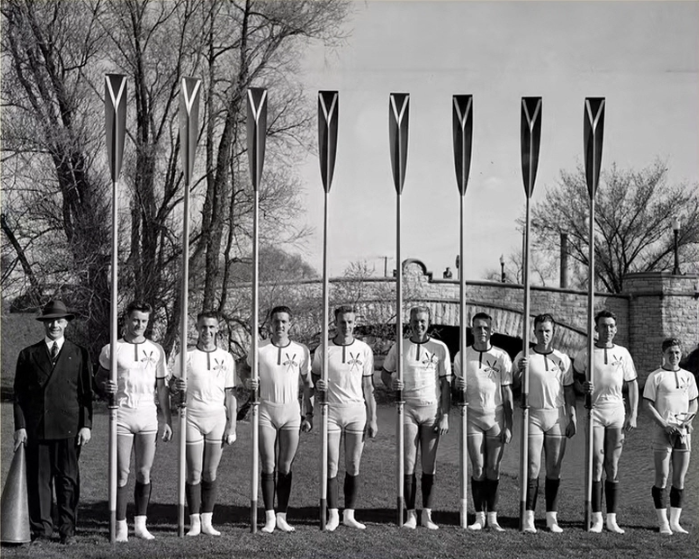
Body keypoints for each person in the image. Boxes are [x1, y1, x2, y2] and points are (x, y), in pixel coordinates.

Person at [13, 300, 93, 545]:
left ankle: (67, 531)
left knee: (68, 481)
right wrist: (20, 427)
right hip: (38, 428)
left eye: (59, 320)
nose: (54, 325)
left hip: (69, 428)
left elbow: (86, 394)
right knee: (40, 481)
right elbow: (19, 396)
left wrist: (86, 425)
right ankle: (42, 530)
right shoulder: (28, 355)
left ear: (66, 323)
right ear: (44, 324)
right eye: (50, 321)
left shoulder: (79, 353)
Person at [96, 301, 173, 541]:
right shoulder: (112, 349)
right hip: (122, 415)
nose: (139, 325)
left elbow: (162, 388)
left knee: (144, 472)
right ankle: (120, 525)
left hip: (148, 416)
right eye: (136, 320)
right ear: (127, 320)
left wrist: (167, 419)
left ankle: (140, 524)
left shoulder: (157, 350)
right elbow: (97, 379)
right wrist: (105, 387)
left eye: (144, 321)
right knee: (122, 473)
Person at [244, 305, 313, 533]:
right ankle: (269, 516)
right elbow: (244, 370)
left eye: (284, 321)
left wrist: (308, 413)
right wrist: (247, 382)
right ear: (270, 324)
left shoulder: (301, 350)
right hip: (266, 410)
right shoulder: (259, 348)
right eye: (276, 321)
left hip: (291, 412)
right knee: (268, 464)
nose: (280, 325)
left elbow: (308, 384)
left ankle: (282, 515)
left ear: (290, 324)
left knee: (285, 465)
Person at [381, 306, 451, 530]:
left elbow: (446, 385)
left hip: (431, 411)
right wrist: (392, 384)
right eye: (415, 321)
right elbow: (385, 373)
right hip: (407, 410)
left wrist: (445, 416)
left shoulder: (439, 348)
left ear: (428, 322)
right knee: (409, 463)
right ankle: (410, 514)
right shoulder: (400, 346)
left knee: (429, 464)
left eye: (422, 321)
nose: (418, 325)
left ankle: (426, 514)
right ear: (409, 322)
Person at [171, 311, 238, 537]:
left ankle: (207, 520)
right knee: (194, 473)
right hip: (192, 417)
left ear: (217, 329)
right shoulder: (186, 356)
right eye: (203, 327)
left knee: (210, 472)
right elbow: (172, 386)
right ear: (196, 328)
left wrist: (232, 426)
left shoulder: (226, 358)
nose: (207, 331)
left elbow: (230, 395)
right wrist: (177, 387)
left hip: (217, 418)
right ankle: (194, 522)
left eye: (211, 327)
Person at [312, 305, 378, 531]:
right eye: (342, 322)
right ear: (335, 323)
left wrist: (373, 418)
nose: (346, 326)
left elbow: (368, 387)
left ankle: (349, 514)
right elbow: (313, 379)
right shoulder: (324, 349)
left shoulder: (364, 350)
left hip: (356, 412)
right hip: (331, 412)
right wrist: (318, 386)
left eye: (350, 322)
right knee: (331, 464)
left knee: (353, 463)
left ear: (355, 323)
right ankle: (333, 515)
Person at [573, 309, 638, 533]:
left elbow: (633, 383)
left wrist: (634, 414)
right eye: (603, 326)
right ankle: (597, 518)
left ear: (616, 329)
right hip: (595, 412)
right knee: (597, 463)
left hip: (616, 411)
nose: (607, 330)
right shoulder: (586, 354)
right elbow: (575, 380)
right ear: (596, 328)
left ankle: (612, 518)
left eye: (611, 326)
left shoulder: (623, 353)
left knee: (612, 464)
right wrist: (582, 387)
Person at [513, 314, 577, 533]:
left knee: (554, 468)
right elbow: (514, 386)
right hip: (533, 415)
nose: (544, 335)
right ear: (534, 332)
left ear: (553, 332)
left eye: (547, 331)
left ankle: (551, 517)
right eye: (540, 331)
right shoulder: (524, 355)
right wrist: (519, 371)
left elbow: (569, 390)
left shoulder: (562, 359)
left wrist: (572, 416)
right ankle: (529, 517)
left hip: (556, 416)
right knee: (533, 467)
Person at [453, 312, 513, 532]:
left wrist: (509, 425)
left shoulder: (501, 356)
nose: (482, 331)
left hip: (495, 416)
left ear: (492, 330)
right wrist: (457, 387)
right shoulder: (462, 355)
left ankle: (493, 518)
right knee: (478, 468)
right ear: (472, 330)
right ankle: (479, 517)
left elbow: (507, 393)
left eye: (486, 328)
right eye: (478, 328)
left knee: (493, 468)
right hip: (473, 417)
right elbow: (455, 394)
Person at [643, 338, 697, 534]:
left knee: (679, 478)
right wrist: (664, 424)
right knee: (662, 476)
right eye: (670, 353)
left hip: (683, 432)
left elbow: (693, 402)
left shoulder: (688, 376)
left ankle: (675, 522)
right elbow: (647, 405)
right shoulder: (655, 376)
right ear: (663, 354)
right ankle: (663, 522)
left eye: (677, 353)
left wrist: (689, 420)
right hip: (662, 431)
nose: (674, 356)